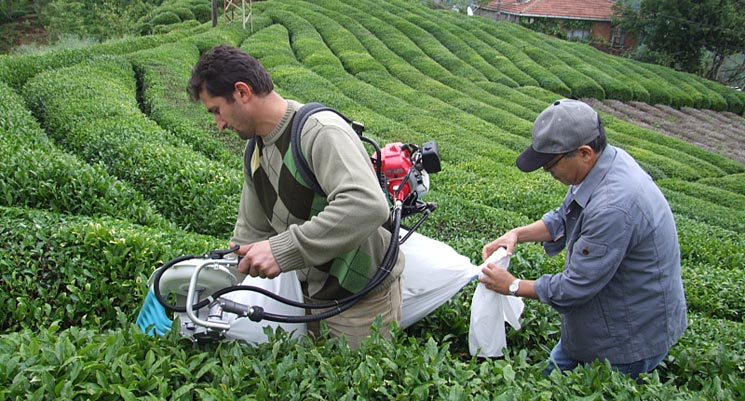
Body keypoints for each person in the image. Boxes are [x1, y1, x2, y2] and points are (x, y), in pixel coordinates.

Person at [187, 45, 404, 349]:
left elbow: (366, 204)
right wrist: (214, 286)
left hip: (359, 296)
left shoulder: (318, 131)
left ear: (242, 92)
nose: (219, 124)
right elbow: (251, 231)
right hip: (310, 295)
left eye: (216, 111)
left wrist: (282, 250)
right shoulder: (255, 151)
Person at [478, 99, 687, 379]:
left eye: (550, 164)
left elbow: (576, 287)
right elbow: (565, 215)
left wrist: (513, 286)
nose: (546, 172)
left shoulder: (614, 206)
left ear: (584, 152)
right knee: (550, 379)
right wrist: (517, 234)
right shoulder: (604, 163)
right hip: (601, 322)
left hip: (625, 339)